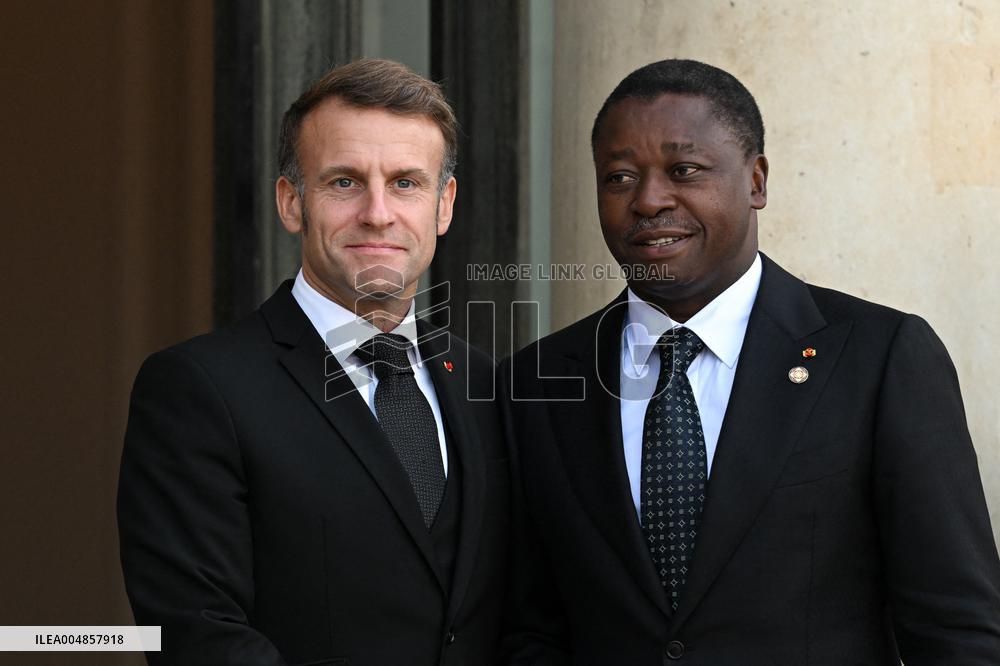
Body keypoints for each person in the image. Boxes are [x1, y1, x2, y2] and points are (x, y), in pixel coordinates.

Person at [500, 59, 1000, 664]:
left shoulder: (879, 357)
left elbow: (957, 627)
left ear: (757, 181)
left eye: (684, 170)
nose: (648, 200)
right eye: (620, 177)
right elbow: (529, 627)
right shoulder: (538, 382)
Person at [118, 58, 509, 665]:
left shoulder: (486, 383)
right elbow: (195, 631)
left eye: (406, 183)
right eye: (345, 182)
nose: (378, 212)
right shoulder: (199, 389)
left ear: (444, 205)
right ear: (291, 203)